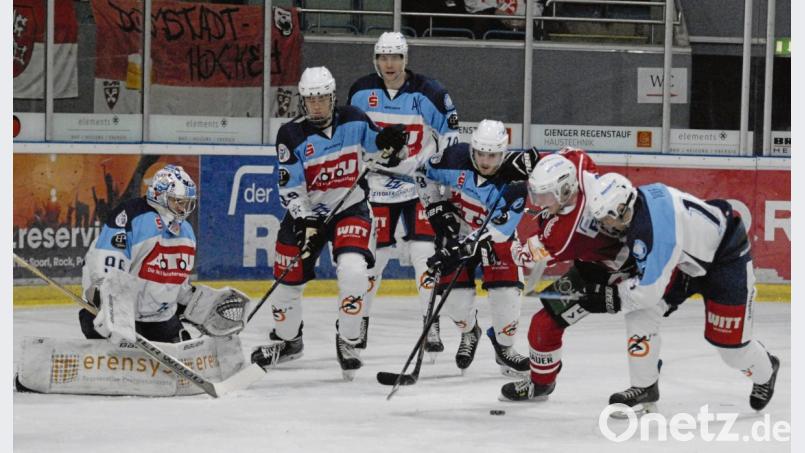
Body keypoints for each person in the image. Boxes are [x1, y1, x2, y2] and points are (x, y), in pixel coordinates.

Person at [250, 66, 407, 380]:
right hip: (308, 214)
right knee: (285, 280)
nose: (317, 105)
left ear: (333, 97)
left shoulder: (354, 119)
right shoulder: (291, 135)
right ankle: (288, 341)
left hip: (350, 208)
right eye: (311, 100)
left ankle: (348, 338)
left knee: (353, 271)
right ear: (303, 101)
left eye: (322, 98)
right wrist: (306, 219)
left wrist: (394, 146)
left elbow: (385, 152)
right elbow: (290, 187)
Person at [581, 172, 780, 412]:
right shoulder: (638, 202)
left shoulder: (654, 232)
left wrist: (610, 299)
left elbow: (647, 292)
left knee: (732, 350)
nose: (605, 226)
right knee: (641, 314)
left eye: (607, 220)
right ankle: (645, 386)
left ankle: (766, 371)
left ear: (623, 209)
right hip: (687, 258)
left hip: (726, 260)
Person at [348, 32, 460, 359]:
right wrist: (369, 161)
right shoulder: (360, 91)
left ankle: (431, 321)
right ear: (375, 60)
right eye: (384, 57)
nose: (390, 64)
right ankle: (360, 320)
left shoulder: (430, 92)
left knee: (425, 255)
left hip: (418, 186)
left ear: (405, 59)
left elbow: (451, 135)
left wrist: (432, 167)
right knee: (373, 259)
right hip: (378, 186)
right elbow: (352, 136)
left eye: (396, 57)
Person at [499, 148, 632, 402]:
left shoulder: (563, 235)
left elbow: (523, 257)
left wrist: (503, 241)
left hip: (615, 276)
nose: (538, 203)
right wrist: (530, 162)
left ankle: (540, 385)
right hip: (597, 262)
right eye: (536, 194)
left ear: (564, 190)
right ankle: (542, 383)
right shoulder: (578, 167)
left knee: (544, 324)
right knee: (544, 323)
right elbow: (571, 153)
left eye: (546, 195)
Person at [414, 119, 538, 376]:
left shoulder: (515, 184)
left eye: (492, 155)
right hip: (456, 233)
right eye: (480, 153)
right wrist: (435, 206)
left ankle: (504, 348)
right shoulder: (454, 157)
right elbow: (421, 173)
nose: (484, 161)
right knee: (456, 305)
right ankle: (470, 331)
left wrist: (461, 249)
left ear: (502, 152)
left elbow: (501, 232)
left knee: (506, 297)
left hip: (494, 240)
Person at [79, 164, 251, 344]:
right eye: (178, 202)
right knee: (120, 350)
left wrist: (199, 304)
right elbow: (105, 270)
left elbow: (176, 284)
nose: (183, 210)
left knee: (186, 349)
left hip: (157, 319)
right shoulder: (131, 216)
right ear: (159, 195)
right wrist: (108, 307)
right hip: (109, 313)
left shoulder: (186, 233)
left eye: (187, 204)